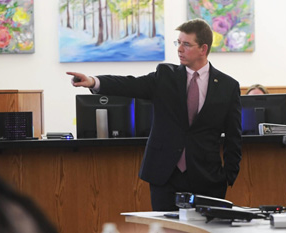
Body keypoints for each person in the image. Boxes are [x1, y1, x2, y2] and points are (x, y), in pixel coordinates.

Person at [67, 18, 242, 211]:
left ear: (203, 48)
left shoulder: (228, 86)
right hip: (165, 175)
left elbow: (234, 136)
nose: (179, 49)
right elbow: (131, 84)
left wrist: (228, 176)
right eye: (178, 43)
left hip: (207, 177)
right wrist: (93, 81)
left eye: (186, 44)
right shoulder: (165, 75)